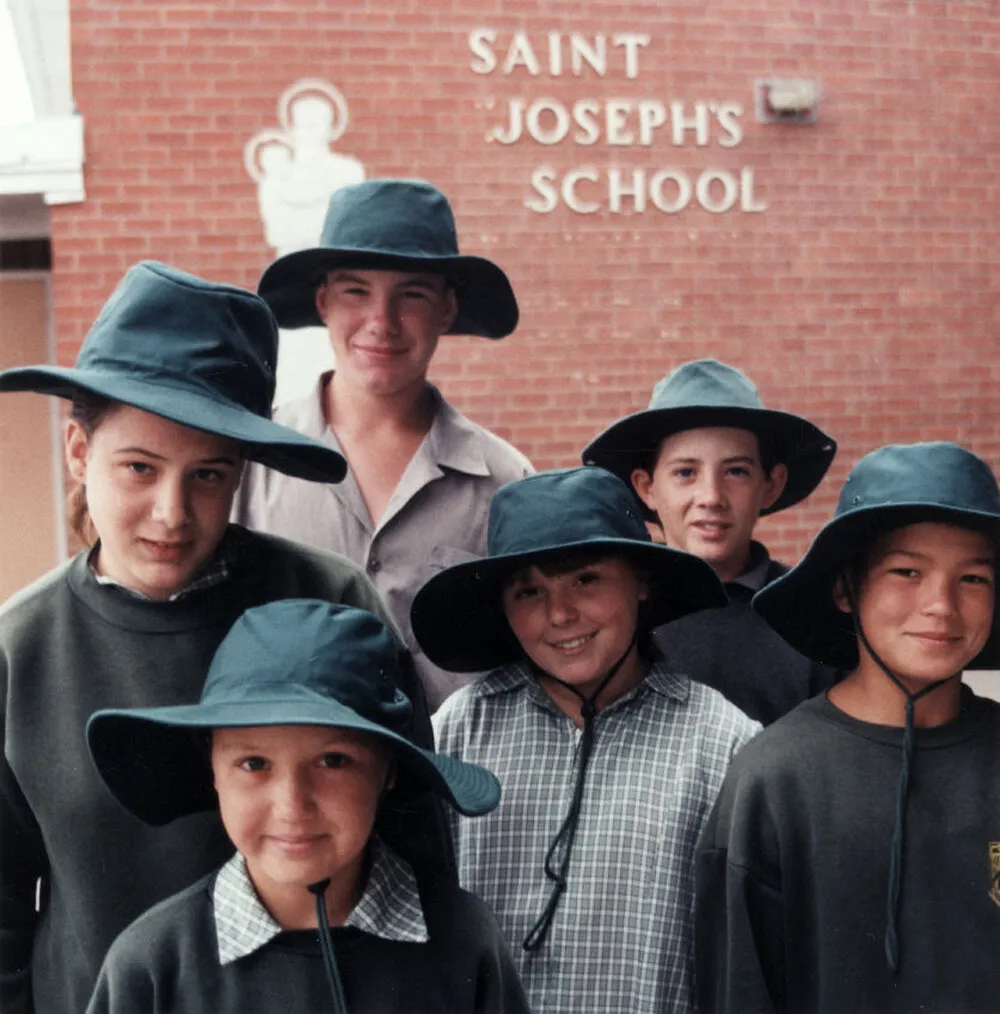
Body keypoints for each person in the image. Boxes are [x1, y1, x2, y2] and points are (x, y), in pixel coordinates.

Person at [0, 261, 438, 1014]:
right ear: (78, 450)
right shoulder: (19, 649)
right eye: (139, 468)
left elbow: (416, 847)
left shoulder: (329, 600)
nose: (171, 513)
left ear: (242, 473)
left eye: (207, 475)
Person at [411, 467, 760, 1013]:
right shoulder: (458, 731)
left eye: (586, 580)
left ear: (641, 581)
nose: (559, 614)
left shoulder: (722, 743)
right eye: (529, 591)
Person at [84, 600, 530, 1014]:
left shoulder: (464, 941)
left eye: (333, 761)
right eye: (254, 763)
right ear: (213, 769)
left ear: (388, 770)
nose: (291, 807)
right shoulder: (152, 965)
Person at [695, 441, 1000, 1013]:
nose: (941, 604)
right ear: (845, 589)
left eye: (974, 579)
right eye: (907, 571)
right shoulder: (775, 779)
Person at [233, 178, 533, 710]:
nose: (382, 322)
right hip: (294, 755)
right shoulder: (251, 463)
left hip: (454, 763)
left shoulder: (505, 481)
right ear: (323, 301)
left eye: (412, 295)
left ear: (447, 309)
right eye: (356, 291)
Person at [583, 358, 839, 724]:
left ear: (771, 485)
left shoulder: (811, 614)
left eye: (736, 471)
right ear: (647, 487)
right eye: (685, 472)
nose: (712, 496)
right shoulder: (614, 612)